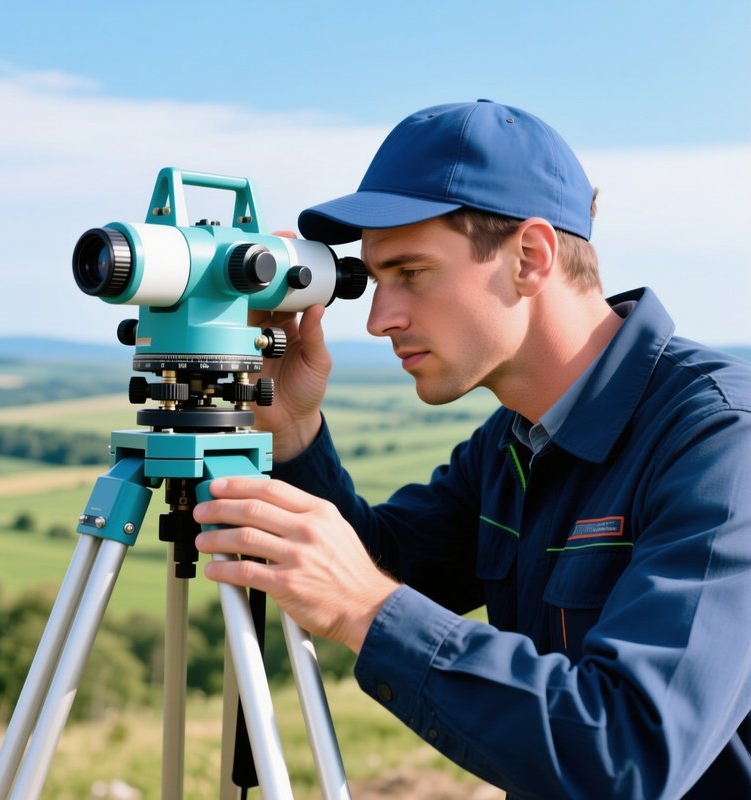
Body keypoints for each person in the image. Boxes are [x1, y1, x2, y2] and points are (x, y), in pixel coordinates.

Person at [193, 99, 751, 798]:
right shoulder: (514, 440)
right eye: (374, 280)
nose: (379, 319)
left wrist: (367, 611)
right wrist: (292, 432)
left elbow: (630, 752)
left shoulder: (720, 442)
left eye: (411, 273)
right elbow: (383, 564)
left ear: (530, 258)